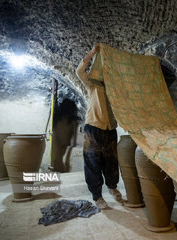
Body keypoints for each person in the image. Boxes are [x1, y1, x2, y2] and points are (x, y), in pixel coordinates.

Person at [76, 43, 122, 209]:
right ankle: (97, 196)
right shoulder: (93, 84)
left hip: (110, 129)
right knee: (93, 163)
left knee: (111, 161)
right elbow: (79, 71)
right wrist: (92, 53)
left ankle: (112, 187)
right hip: (93, 128)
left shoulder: (115, 88)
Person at [50, 98, 79, 173]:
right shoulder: (60, 120)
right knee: (57, 163)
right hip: (60, 144)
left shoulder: (60, 120)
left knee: (58, 163)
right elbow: (73, 141)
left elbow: (73, 140)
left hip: (61, 144)